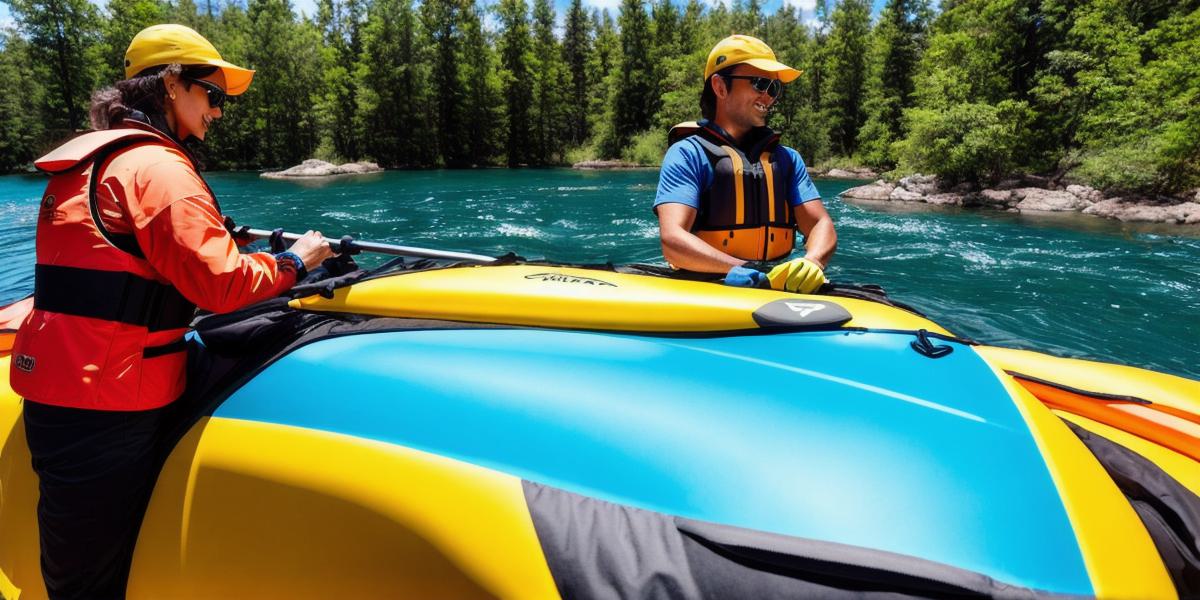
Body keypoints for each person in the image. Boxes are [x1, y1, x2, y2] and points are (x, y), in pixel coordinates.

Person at [8, 24, 333, 599]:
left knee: (77, 556)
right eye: (213, 94)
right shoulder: (158, 169)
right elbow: (222, 286)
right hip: (108, 404)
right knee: (88, 581)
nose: (218, 111)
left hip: (61, 387)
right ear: (172, 83)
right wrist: (296, 262)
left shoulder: (96, 162)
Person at [654, 34, 837, 294]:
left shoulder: (787, 159)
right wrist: (743, 271)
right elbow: (672, 240)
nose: (769, 97)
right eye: (760, 83)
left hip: (774, 283)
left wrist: (813, 262)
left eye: (774, 88)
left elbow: (820, 224)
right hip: (706, 286)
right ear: (720, 87)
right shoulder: (687, 154)